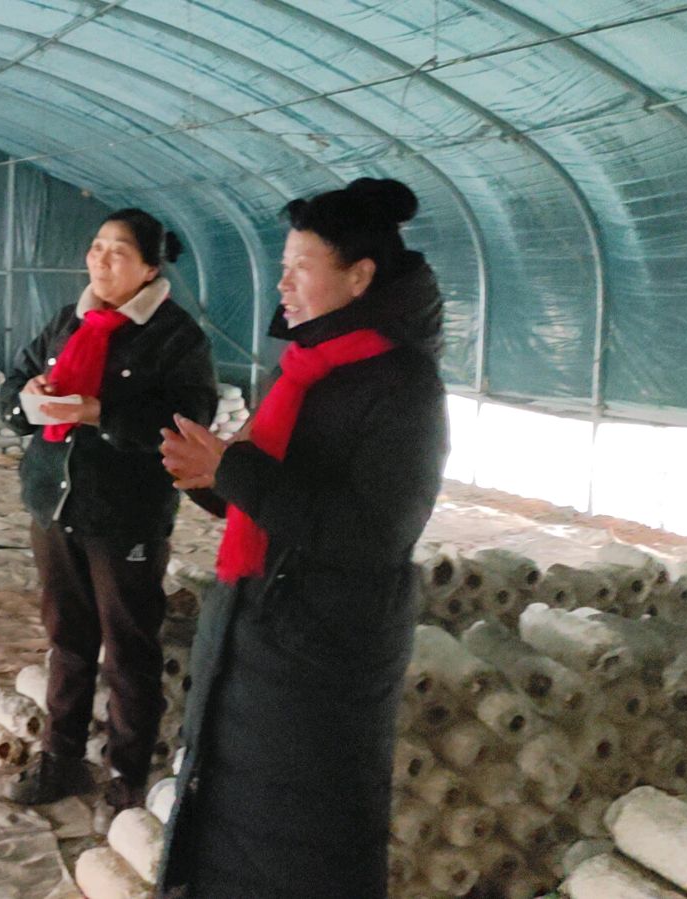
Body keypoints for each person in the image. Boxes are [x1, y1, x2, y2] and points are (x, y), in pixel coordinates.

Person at [155, 178, 448, 898]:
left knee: (302, 845)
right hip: (258, 628)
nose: (282, 284)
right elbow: (279, 498)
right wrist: (211, 478)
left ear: (359, 276)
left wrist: (235, 471)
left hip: (323, 655)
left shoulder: (401, 384)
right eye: (281, 266)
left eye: (300, 267)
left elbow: (373, 533)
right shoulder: (311, 365)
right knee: (229, 827)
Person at [0, 209, 217, 823]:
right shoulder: (69, 321)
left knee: (128, 647)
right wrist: (28, 398)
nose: (100, 259)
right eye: (96, 246)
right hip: (55, 502)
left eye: (118, 251)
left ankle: (127, 775)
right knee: (67, 638)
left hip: (125, 515)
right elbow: (16, 379)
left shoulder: (175, 337)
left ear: (149, 268)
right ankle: (61, 757)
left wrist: (100, 413)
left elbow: (190, 420)